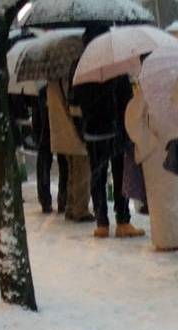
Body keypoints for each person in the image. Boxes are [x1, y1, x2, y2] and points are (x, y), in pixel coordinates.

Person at [73, 30, 143, 239]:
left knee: (97, 177)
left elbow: (75, 102)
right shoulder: (117, 67)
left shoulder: (80, 69)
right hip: (115, 130)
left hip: (93, 132)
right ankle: (122, 221)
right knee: (120, 176)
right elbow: (127, 101)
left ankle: (101, 223)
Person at [125, 94, 178, 252]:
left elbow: (133, 119)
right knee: (171, 195)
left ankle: (171, 238)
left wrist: (146, 141)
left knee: (171, 195)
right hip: (166, 144)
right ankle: (174, 237)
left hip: (162, 145)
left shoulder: (147, 90)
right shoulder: (170, 87)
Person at [47, 79, 93, 222]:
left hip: (62, 133)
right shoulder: (66, 82)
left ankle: (71, 206)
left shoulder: (52, 84)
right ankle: (80, 210)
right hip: (74, 132)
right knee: (82, 171)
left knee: (72, 170)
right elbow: (74, 106)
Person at [35, 86, 59, 214]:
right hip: (57, 132)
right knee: (64, 163)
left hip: (46, 134)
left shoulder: (42, 92)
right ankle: (62, 199)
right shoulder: (46, 93)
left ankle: (46, 199)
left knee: (44, 162)